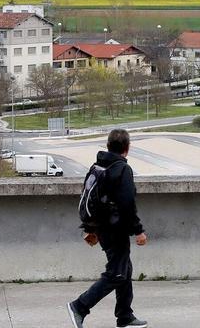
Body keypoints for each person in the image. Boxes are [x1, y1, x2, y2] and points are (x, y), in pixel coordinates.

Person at [67, 129, 148, 328]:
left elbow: (90, 199)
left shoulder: (97, 166)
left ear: (108, 145)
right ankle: (80, 306)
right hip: (115, 230)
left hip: (102, 228)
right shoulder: (122, 169)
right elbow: (127, 203)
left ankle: (125, 316)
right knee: (116, 273)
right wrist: (138, 230)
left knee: (125, 270)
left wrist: (90, 228)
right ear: (127, 149)